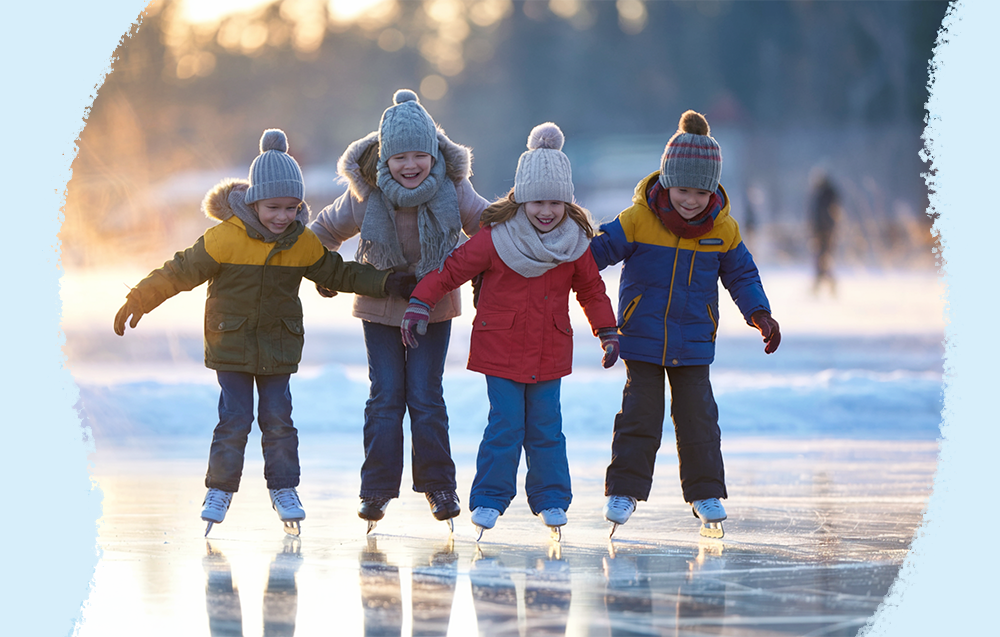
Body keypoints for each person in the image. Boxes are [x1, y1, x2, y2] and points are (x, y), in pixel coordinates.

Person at [113, 129, 410, 536]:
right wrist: (140, 298)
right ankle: (219, 490)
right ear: (254, 201)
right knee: (234, 421)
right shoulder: (225, 238)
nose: (283, 216)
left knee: (279, 420)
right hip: (230, 342)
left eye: (292, 208)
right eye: (274, 207)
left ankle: (284, 488)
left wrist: (384, 282)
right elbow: (180, 270)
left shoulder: (301, 243)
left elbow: (338, 271)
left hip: (278, 345)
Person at [401, 123, 619, 538]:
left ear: (568, 202)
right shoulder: (496, 237)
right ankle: (488, 499)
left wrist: (606, 329)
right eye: (538, 201)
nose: (546, 211)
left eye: (556, 202)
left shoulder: (574, 242)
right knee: (505, 426)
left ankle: (552, 499)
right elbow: (452, 271)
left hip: (549, 348)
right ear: (521, 197)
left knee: (546, 427)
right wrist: (420, 301)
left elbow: (591, 288)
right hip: (500, 347)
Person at [590, 110, 781, 536]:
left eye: (700, 191)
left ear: (712, 189)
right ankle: (624, 490)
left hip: (694, 340)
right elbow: (594, 255)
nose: (690, 200)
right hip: (641, 337)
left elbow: (742, 275)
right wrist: (562, 259)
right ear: (666, 180)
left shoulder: (723, 230)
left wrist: (759, 313)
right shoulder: (637, 220)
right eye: (682, 189)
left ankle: (705, 493)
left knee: (698, 418)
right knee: (641, 414)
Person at [309, 89, 489, 530]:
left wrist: (535, 227)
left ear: (433, 154)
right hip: (379, 306)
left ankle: (438, 485)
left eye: (419, 156)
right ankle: (376, 488)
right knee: (386, 395)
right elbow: (323, 231)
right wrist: (323, 273)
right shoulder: (365, 192)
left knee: (425, 395)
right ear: (384, 159)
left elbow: (489, 226)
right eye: (399, 157)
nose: (410, 166)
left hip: (434, 306)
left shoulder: (453, 187)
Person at [808, 167, 841, 295]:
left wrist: (826, 229)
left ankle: (822, 285)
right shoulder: (821, 193)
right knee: (822, 258)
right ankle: (823, 284)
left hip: (825, 231)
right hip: (821, 231)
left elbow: (829, 213)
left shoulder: (826, 193)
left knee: (822, 257)